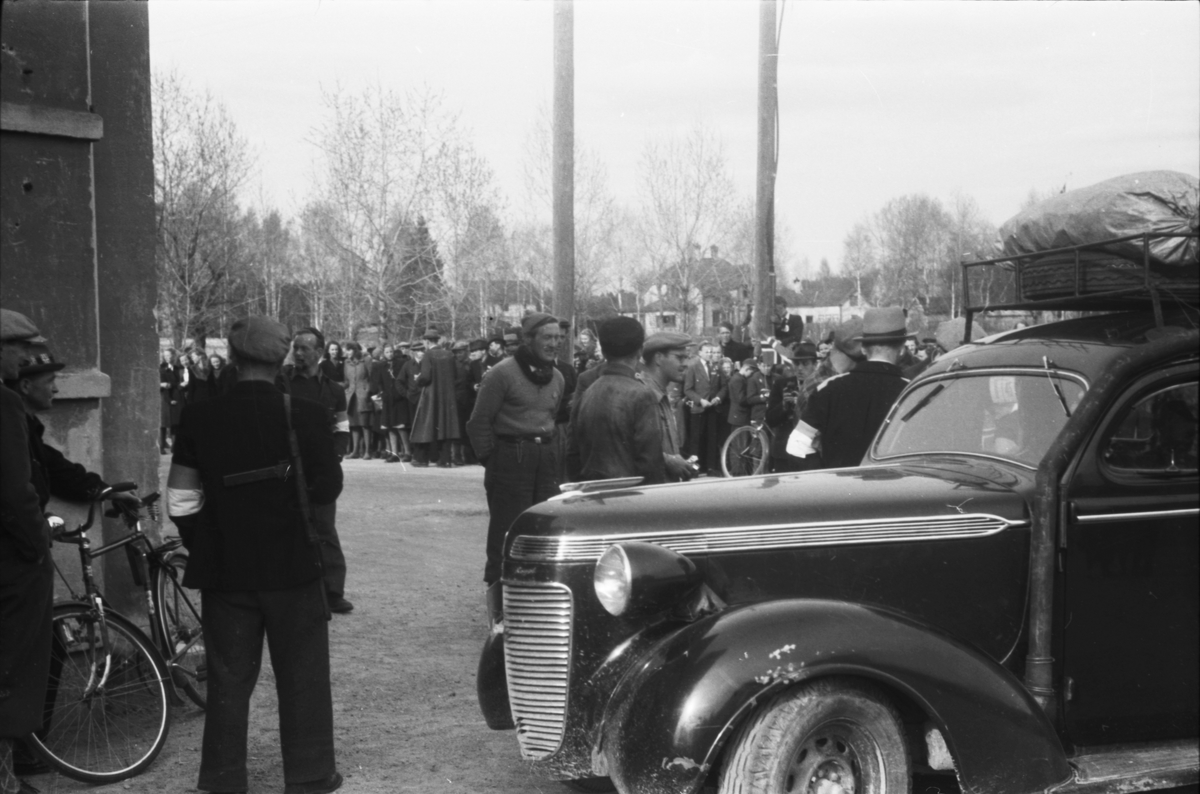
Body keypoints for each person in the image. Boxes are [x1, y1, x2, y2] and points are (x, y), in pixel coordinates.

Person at [167, 316, 344, 794]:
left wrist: (208, 542)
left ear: (234, 357)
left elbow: (180, 502)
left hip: (226, 570)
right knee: (303, 671)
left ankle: (223, 778)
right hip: (294, 566)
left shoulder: (199, 417)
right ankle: (309, 775)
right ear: (282, 357)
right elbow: (329, 486)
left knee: (227, 678)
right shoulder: (306, 414)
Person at [466, 313, 564, 586]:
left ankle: (537, 597)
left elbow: (551, 420)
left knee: (543, 530)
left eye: (558, 338)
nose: (554, 343)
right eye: (547, 337)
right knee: (506, 532)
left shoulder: (557, 377)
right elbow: (478, 423)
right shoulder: (501, 373)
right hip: (510, 458)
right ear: (529, 339)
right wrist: (495, 460)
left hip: (545, 461)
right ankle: (498, 606)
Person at [0, 310, 55, 794]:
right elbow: (16, 493)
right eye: (19, 348)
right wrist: (39, 545)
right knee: (12, 670)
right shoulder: (4, 403)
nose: (26, 358)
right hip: (11, 562)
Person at [280, 327, 354, 615]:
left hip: (321, 469)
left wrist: (332, 458)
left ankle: (333, 593)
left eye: (304, 349)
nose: (298, 353)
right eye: (295, 347)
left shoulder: (334, 390)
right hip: (286, 467)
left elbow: (342, 429)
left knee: (324, 528)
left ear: (320, 354)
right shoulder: (281, 382)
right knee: (287, 527)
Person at [799, 308, 910, 469]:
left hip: (840, 488)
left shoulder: (828, 388)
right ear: (902, 349)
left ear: (864, 348)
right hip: (894, 489)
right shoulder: (912, 390)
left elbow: (797, 445)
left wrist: (825, 477)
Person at [567, 316, 665, 484]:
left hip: (592, 497)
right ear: (640, 351)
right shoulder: (643, 395)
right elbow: (650, 462)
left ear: (603, 352)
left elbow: (572, 454)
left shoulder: (587, 393)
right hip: (629, 498)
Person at [641, 332, 697, 482]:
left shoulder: (660, 393)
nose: (685, 364)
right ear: (659, 358)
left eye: (686, 358)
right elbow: (633, 445)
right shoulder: (643, 395)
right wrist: (668, 460)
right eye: (679, 357)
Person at [411, 328, 462, 468]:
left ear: (427, 341)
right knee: (445, 425)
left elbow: (426, 377)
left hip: (431, 395)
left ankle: (422, 459)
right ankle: (445, 459)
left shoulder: (428, 355)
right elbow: (456, 376)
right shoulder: (449, 354)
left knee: (426, 424)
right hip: (447, 396)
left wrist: (418, 380)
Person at [766, 342, 819, 473]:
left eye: (805, 364)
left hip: (811, 453)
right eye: (796, 364)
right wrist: (784, 406)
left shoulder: (821, 386)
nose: (800, 368)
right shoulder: (781, 385)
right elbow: (770, 419)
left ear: (815, 364)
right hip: (784, 452)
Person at [342, 342, 373, 459]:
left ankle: (367, 451)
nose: (346, 353)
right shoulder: (346, 363)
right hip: (350, 397)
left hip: (363, 396)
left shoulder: (366, 360)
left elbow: (371, 378)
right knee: (354, 425)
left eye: (348, 350)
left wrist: (367, 391)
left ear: (355, 350)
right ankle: (355, 451)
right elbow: (346, 381)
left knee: (365, 424)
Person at [160, 347, 185, 454]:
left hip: (176, 395)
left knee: (175, 421)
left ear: (174, 356)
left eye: (169, 355)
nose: (167, 358)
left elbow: (179, 381)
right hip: (164, 396)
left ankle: (175, 447)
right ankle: (161, 446)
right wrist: (160, 384)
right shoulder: (160, 368)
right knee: (163, 422)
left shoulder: (177, 368)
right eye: (165, 356)